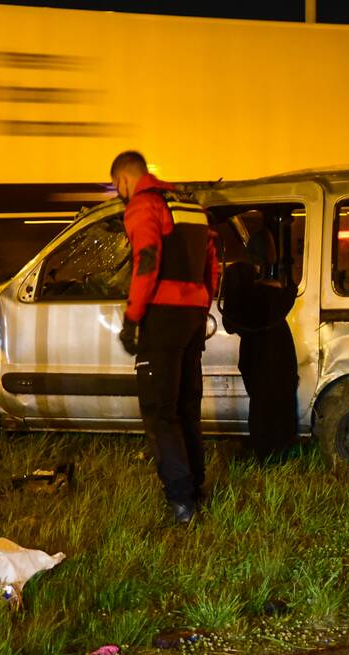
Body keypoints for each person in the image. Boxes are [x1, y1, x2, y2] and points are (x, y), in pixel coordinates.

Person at [111, 151, 219, 524]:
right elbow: (211, 263)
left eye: (117, 187)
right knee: (187, 406)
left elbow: (147, 262)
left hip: (162, 316)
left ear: (124, 180)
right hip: (192, 316)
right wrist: (203, 306)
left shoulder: (143, 206)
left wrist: (132, 317)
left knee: (160, 412)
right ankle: (197, 487)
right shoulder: (190, 206)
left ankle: (182, 503)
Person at [221, 221, 299, 459]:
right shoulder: (279, 286)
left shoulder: (238, 276)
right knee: (281, 400)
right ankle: (282, 449)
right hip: (280, 347)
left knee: (261, 404)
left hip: (257, 350)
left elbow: (230, 322)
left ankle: (264, 451)